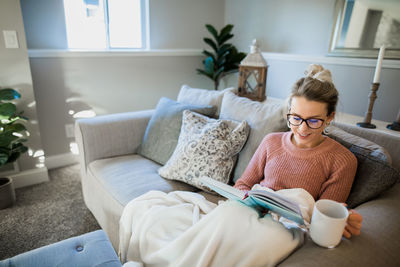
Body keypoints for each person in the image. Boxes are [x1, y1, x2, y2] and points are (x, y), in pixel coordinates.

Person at [234, 64, 362, 238]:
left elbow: (323, 216)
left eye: (313, 121)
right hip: (248, 215)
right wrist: (251, 203)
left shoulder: (342, 160)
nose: (302, 129)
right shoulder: (271, 141)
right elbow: (242, 185)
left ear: (329, 117)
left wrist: (341, 222)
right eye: (296, 118)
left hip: (285, 231)